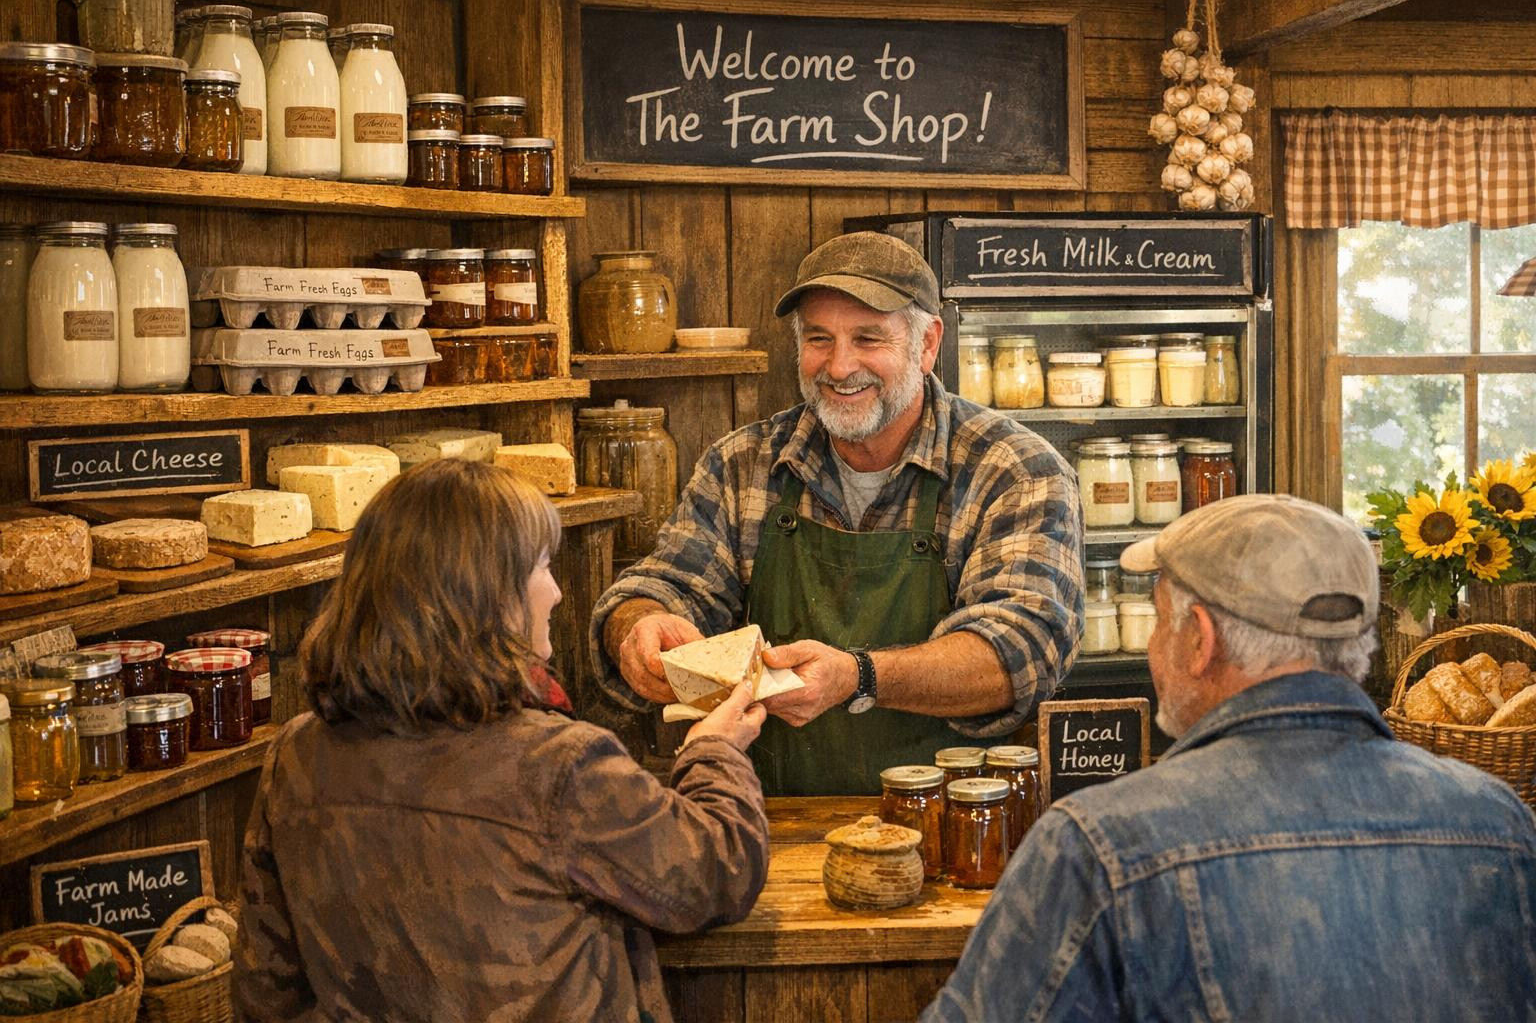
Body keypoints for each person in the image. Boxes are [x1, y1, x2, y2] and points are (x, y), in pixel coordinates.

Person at [923, 493, 1536, 1022]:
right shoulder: (1501, 825)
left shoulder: (1101, 846)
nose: (1154, 646)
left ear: (1199, 641)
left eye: (1161, 621)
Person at [235, 460, 770, 1023]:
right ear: (486, 596)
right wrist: (715, 750)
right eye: (541, 566)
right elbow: (718, 874)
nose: (558, 593)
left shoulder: (296, 755)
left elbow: (267, 993)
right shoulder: (561, 766)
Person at [590, 231, 1084, 796]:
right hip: (767, 821)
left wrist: (858, 676)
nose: (840, 366)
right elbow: (667, 584)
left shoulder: (1013, 470)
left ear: (928, 346)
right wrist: (640, 624)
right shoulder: (744, 463)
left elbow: (1018, 651)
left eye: (868, 338)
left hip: (950, 821)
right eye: (819, 339)